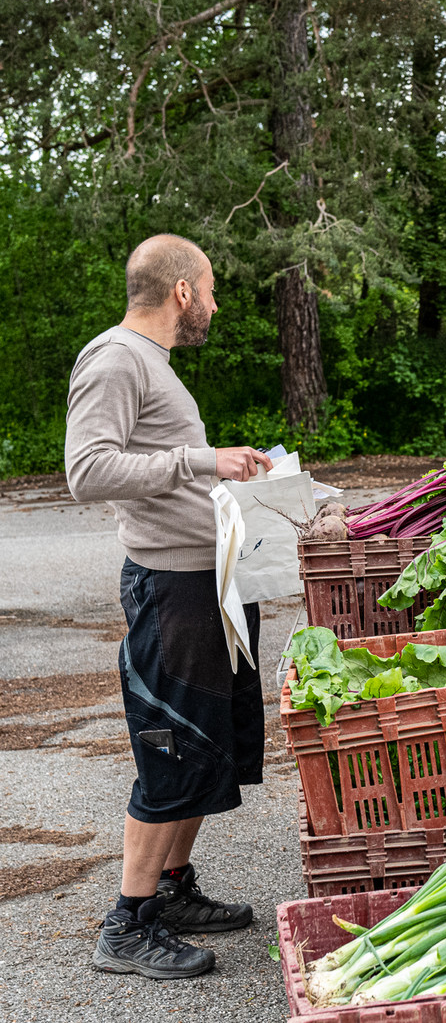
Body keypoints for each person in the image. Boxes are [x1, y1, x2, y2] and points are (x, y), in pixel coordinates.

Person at [65, 234, 276, 980]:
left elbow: (159, 463)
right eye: (211, 289)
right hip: (170, 590)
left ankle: (173, 888)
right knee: (171, 748)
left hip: (207, 581)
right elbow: (87, 469)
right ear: (182, 291)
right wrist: (200, 460)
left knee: (204, 744)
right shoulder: (117, 357)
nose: (214, 303)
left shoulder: (151, 366)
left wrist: (231, 474)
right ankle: (127, 925)